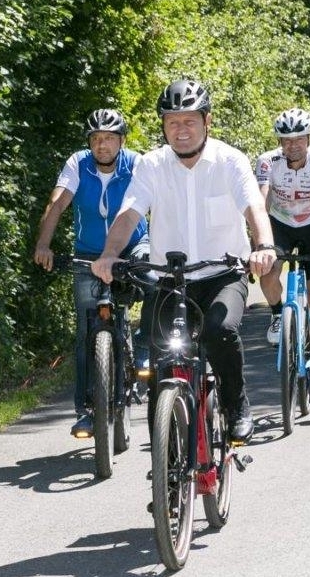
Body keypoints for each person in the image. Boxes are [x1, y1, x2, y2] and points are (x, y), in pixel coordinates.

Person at [91, 80, 277, 444]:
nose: (181, 129)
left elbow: (254, 207)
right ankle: (166, 458)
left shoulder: (230, 161)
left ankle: (236, 404)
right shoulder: (152, 165)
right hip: (170, 280)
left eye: (189, 120)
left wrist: (264, 245)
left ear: (207, 121)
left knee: (218, 331)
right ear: (163, 126)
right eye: (172, 122)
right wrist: (110, 253)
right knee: (160, 356)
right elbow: (129, 214)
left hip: (223, 275)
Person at [34, 108, 152, 439]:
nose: (102, 145)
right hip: (88, 252)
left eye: (109, 138)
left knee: (153, 279)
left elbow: (157, 202)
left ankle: (144, 346)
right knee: (87, 329)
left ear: (121, 140)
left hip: (132, 247)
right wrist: (43, 244)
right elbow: (57, 203)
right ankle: (85, 410)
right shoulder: (78, 164)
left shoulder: (136, 163)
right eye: (96, 139)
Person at [256, 108, 310, 399]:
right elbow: (262, 203)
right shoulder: (268, 161)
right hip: (281, 224)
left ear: (309, 138)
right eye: (286, 140)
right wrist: (258, 245)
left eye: (298, 139)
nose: (292, 145)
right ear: (279, 141)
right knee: (267, 270)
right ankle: (278, 314)